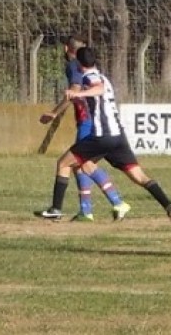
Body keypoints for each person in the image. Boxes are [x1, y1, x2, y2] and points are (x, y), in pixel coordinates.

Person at [56, 47, 171, 226]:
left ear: (78, 63)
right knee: (139, 177)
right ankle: (169, 205)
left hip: (102, 136)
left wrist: (79, 93)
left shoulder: (89, 77)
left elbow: (97, 88)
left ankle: (57, 210)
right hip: (118, 137)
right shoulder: (104, 77)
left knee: (67, 163)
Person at [37, 36, 130, 222]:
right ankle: (92, 208)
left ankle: (105, 205)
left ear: (66, 48)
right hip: (91, 120)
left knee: (80, 164)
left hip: (88, 121)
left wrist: (55, 113)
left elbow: (74, 89)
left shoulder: (74, 65)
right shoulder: (88, 68)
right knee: (81, 164)